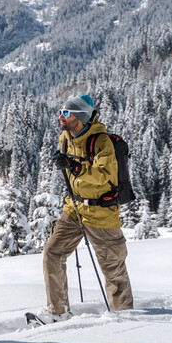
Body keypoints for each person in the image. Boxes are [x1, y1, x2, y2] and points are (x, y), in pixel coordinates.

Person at [41, 94, 134, 320]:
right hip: (74, 207)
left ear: (80, 117)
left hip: (101, 211)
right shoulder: (66, 138)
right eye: (61, 111)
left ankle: (124, 317)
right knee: (53, 254)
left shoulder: (101, 142)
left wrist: (74, 166)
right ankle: (58, 312)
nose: (60, 116)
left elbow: (105, 176)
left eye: (66, 113)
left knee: (112, 266)